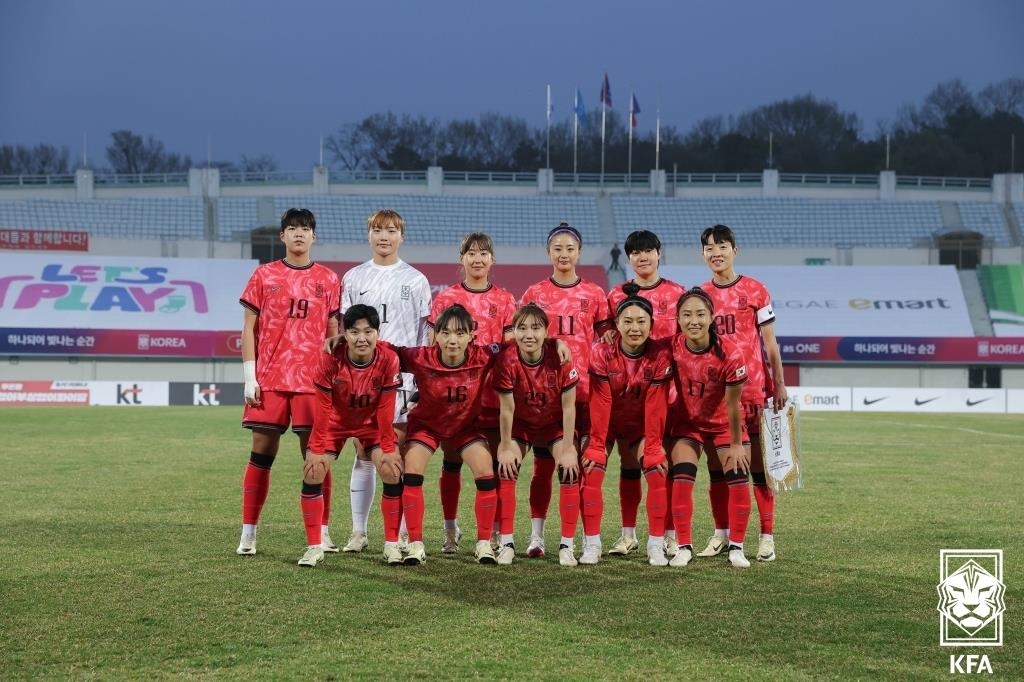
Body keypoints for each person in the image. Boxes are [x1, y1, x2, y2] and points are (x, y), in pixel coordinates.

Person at [236, 208, 341, 557]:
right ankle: (248, 533)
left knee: (316, 458)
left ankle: (322, 531)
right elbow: (248, 328)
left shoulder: (328, 279)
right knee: (261, 455)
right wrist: (250, 376)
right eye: (293, 228)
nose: (300, 234)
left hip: (313, 383)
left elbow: (332, 334)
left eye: (306, 229)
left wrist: (334, 379)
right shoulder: (264, 275)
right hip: (271, 379)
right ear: (282, 236)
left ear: (314, 236)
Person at [340, 209, 431, 553]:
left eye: (391, 230)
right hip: (363, 380)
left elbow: (424, 335)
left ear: (401, 236)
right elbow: (345, 330)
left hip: (404, 380)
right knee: (363, 451)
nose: (384, 236)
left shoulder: (416, 280)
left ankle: (404, 533)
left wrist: (421, 380)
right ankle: (359, 532)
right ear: (369, 235)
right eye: (378, 230)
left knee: (403, 453)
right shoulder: (353, 278)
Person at [520, 222, 613, 558]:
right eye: (557, 248)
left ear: (579, 252)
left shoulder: (594, 294)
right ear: (549, 252)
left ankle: (589, 540)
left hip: (585, 394)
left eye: (569, 248)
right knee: (543, 467)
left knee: (583, 467)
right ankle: (538, 537)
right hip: (544, 397)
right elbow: (521, 338)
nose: (563, 254)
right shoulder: (534, 294)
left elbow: (607, 340)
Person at [696, 224, 788, 563]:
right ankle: (721, 534)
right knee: (718, 470)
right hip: (715, 400)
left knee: (760, 469)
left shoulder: (755, 290)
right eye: (709, 248)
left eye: (721, 246)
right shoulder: (699, 296)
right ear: (702, 254)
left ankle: (766, 537)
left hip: (754, 393)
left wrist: (778, 383)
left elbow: (770, 344)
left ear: (735, 250)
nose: (715, 252)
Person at [427, 233, 517, 555]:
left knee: (491, 466)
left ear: (492, 259)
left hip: (491, 397)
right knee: (451, 463)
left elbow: (509, 351)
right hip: (453, 399)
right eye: (471, 253)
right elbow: (430, 347)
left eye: (483, 253)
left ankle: (493, 533)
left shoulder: (506, 300)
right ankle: (450, 531)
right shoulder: (445, 299)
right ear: (461, 258)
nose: (477, 259)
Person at [297, 305, 403, 567]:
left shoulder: (389, 359)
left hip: (372, 424)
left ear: (378, 333)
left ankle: (391, 544)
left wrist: (388, 447)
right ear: (345, 335)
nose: (362, 338)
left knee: (391, 469)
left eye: (368, 331)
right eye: (354, 332)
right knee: (313, 471)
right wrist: (318, 447)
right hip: (335, 423)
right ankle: (314, 546)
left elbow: (385, 406)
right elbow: (322, 407)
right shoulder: (330, 359)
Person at [604, 229, 686, 558]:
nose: (642, 257)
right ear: (628, 258)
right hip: (628, 393)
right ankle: (628, 534)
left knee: (660, 461)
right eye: (636, 253)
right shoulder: (616, 295)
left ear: (659, 254)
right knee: (628, 461)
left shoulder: (678, 293)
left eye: (648, 251)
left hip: (668, 390)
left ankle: (667, 534)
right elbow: (609, 340)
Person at [580, 287, 673, 565]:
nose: (635, 327)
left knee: (656, 471)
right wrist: (596, 445)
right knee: (592, 470)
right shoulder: (601, 353)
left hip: (642, 428)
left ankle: (655, 544)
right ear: (617, 325)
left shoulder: (660, 356)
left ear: (651, 325)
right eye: (628, 321)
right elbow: (600, 402)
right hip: (607, 426)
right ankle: (592, 544)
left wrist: (654, 446)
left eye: (641, 321)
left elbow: (656, 405)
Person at [666, 287, 752, 568]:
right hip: (688, 424)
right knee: (681, 478)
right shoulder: (673, 346)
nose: (694, 320)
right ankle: (684, 547)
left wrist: (738, 445)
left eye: (700, 314)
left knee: (738, 477)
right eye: (687, 314)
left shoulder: (730, 353)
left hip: (725, 425)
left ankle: (736, 547)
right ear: (677, 319)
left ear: (712, 316)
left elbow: (733, 405)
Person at [493, 303, 580, 566]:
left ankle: (567, 545)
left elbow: (568, 407)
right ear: (513, 331)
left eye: (536, 328)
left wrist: (568, 448)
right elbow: (507, 410)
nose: (528, 334)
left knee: (568, 470)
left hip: (553, 424)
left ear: (546, 332)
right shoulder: (506, 360)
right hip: (522, 424)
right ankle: (507, 542)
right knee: (506, 469)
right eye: (522, 328)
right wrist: (506, 447)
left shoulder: (561, 358)